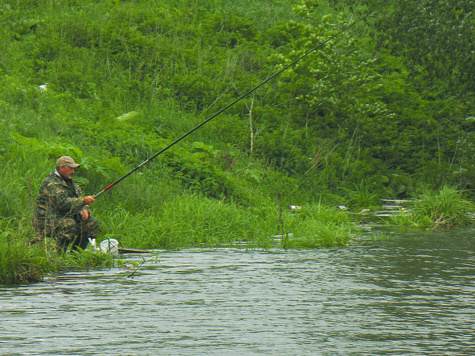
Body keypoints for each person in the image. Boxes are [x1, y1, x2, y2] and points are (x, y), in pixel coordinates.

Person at [32, 156, 99, 252]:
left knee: (92, 222)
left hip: (63, 218)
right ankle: (59, 255)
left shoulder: (70, 183)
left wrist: (85, 210)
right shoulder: (51, 183)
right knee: (69, 224)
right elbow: (62, 204)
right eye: (70, 168)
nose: (73, 171)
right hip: (46, 221)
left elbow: (80, 198)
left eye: (73, 169)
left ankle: (76, 255)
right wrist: (82, 201)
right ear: (61, 168)